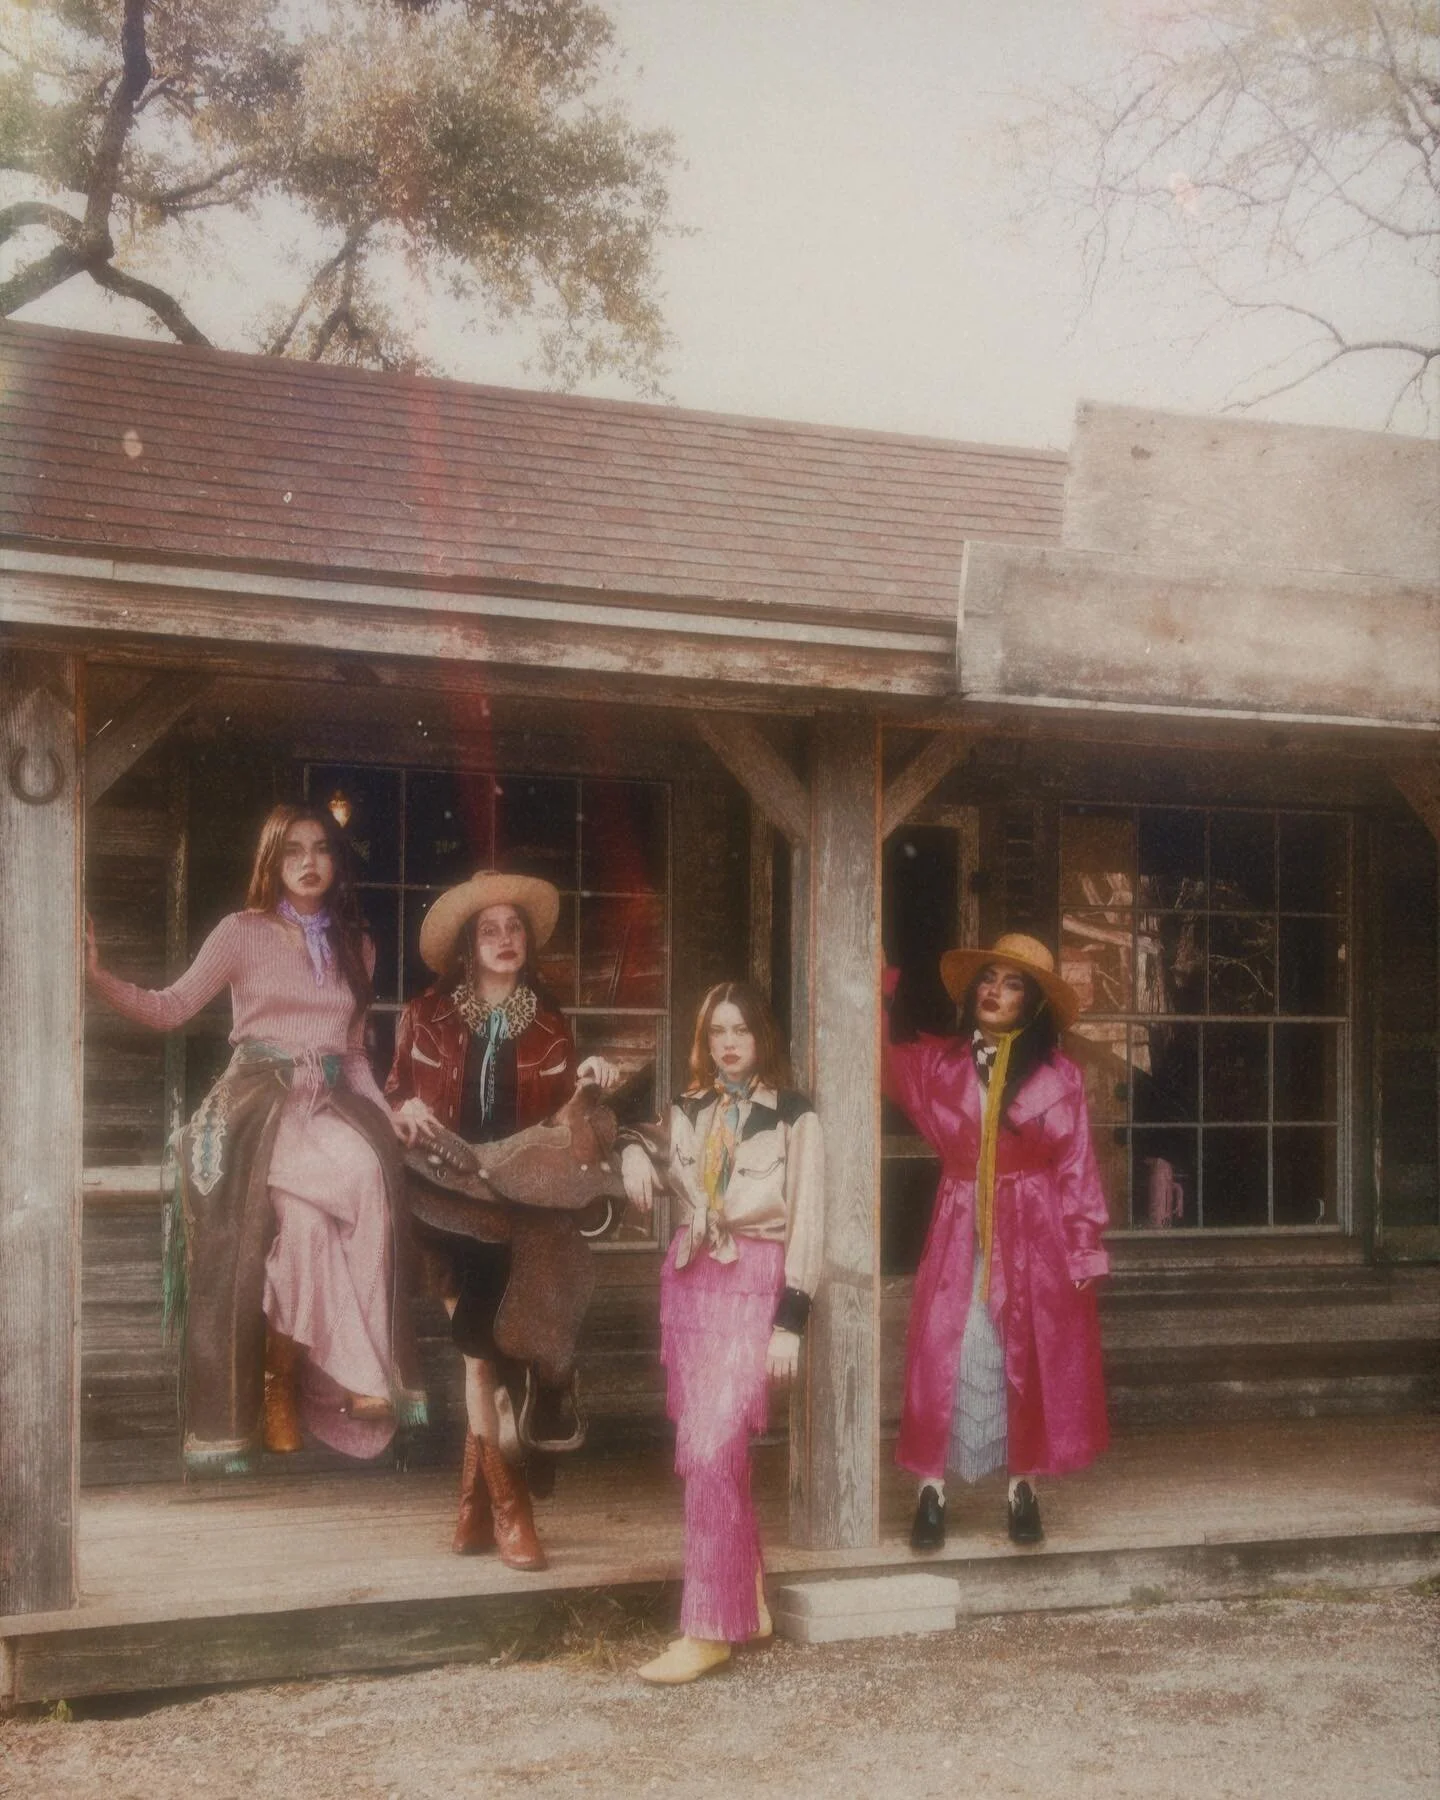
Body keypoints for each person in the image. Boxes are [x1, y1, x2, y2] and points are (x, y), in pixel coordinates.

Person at [87, 804, 426, 1472]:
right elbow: (172, 1007)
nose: (308, 861)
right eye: (292, 849)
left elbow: (354, 1055)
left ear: (336, 861)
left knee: (356, 1190)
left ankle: (306, 1383)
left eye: (321, 849)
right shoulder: (240, 934)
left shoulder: (358, 943)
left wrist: (390, 1118)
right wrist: (98, 979)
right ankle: (354, 1381)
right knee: (322, 1209)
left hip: (326, 1105)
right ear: (271, 861)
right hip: (256, 1108)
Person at [386, 869, 619, 1571]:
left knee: (484, 1357)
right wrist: (403, 1109)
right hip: (444, 1193)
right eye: (490, 930)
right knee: (482, 1357)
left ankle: (472, 1509)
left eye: (514, 928)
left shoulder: (547, 1024)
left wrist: (593, 1079)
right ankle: (510, 1507)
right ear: (467, 944)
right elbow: (396, 1087)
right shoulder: (424, 1015)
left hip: (516, 1199)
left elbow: (561, 1119)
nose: (505, 939)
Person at [621, 981, 824, 1686]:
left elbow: (809, 1225)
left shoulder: (795, 1118)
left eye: (740, 1031)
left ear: (762, 1036)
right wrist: (629, 1156)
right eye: (716, 1034)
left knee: (710, 1449)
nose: (729, 1045)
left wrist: (790, 1324)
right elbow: (648, 1149)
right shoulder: (689, 1109)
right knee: (712, 1452)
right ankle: (751, 1601)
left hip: (755, 1282)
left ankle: (708, 1627)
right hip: (692, 1282)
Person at [883, 933, 1109, 1552]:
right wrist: (878, 980)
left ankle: (1022, 1489)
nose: (994, 992)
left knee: (1025, 1352)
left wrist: (1085, 1245)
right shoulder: (939, 1065)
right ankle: (931, 1490)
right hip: (958, 1220)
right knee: (944, 1349)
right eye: (989, 979)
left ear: (1031, 1003)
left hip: (1036, 1228)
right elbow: (876, 1051)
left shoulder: (1060, 1077)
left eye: (1012, 985)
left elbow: (1077, 1166)